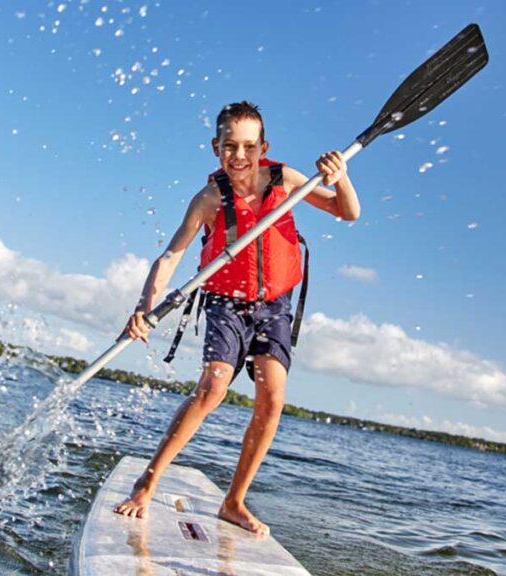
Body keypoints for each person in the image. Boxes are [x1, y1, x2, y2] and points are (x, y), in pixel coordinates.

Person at [113, 101, 360, 536]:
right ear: (216, 148)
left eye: (249, 146)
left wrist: (342, 178)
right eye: (230, 147)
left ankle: (234, 501)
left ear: (264, 147)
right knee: (212, 388)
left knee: (273, 398)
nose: (240, 156)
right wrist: (143, 307)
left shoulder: (286, 180)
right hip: (226, 302)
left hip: (274, 306)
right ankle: (146, 482)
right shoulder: (208, 199)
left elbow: (347, 211)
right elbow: (171, 256)